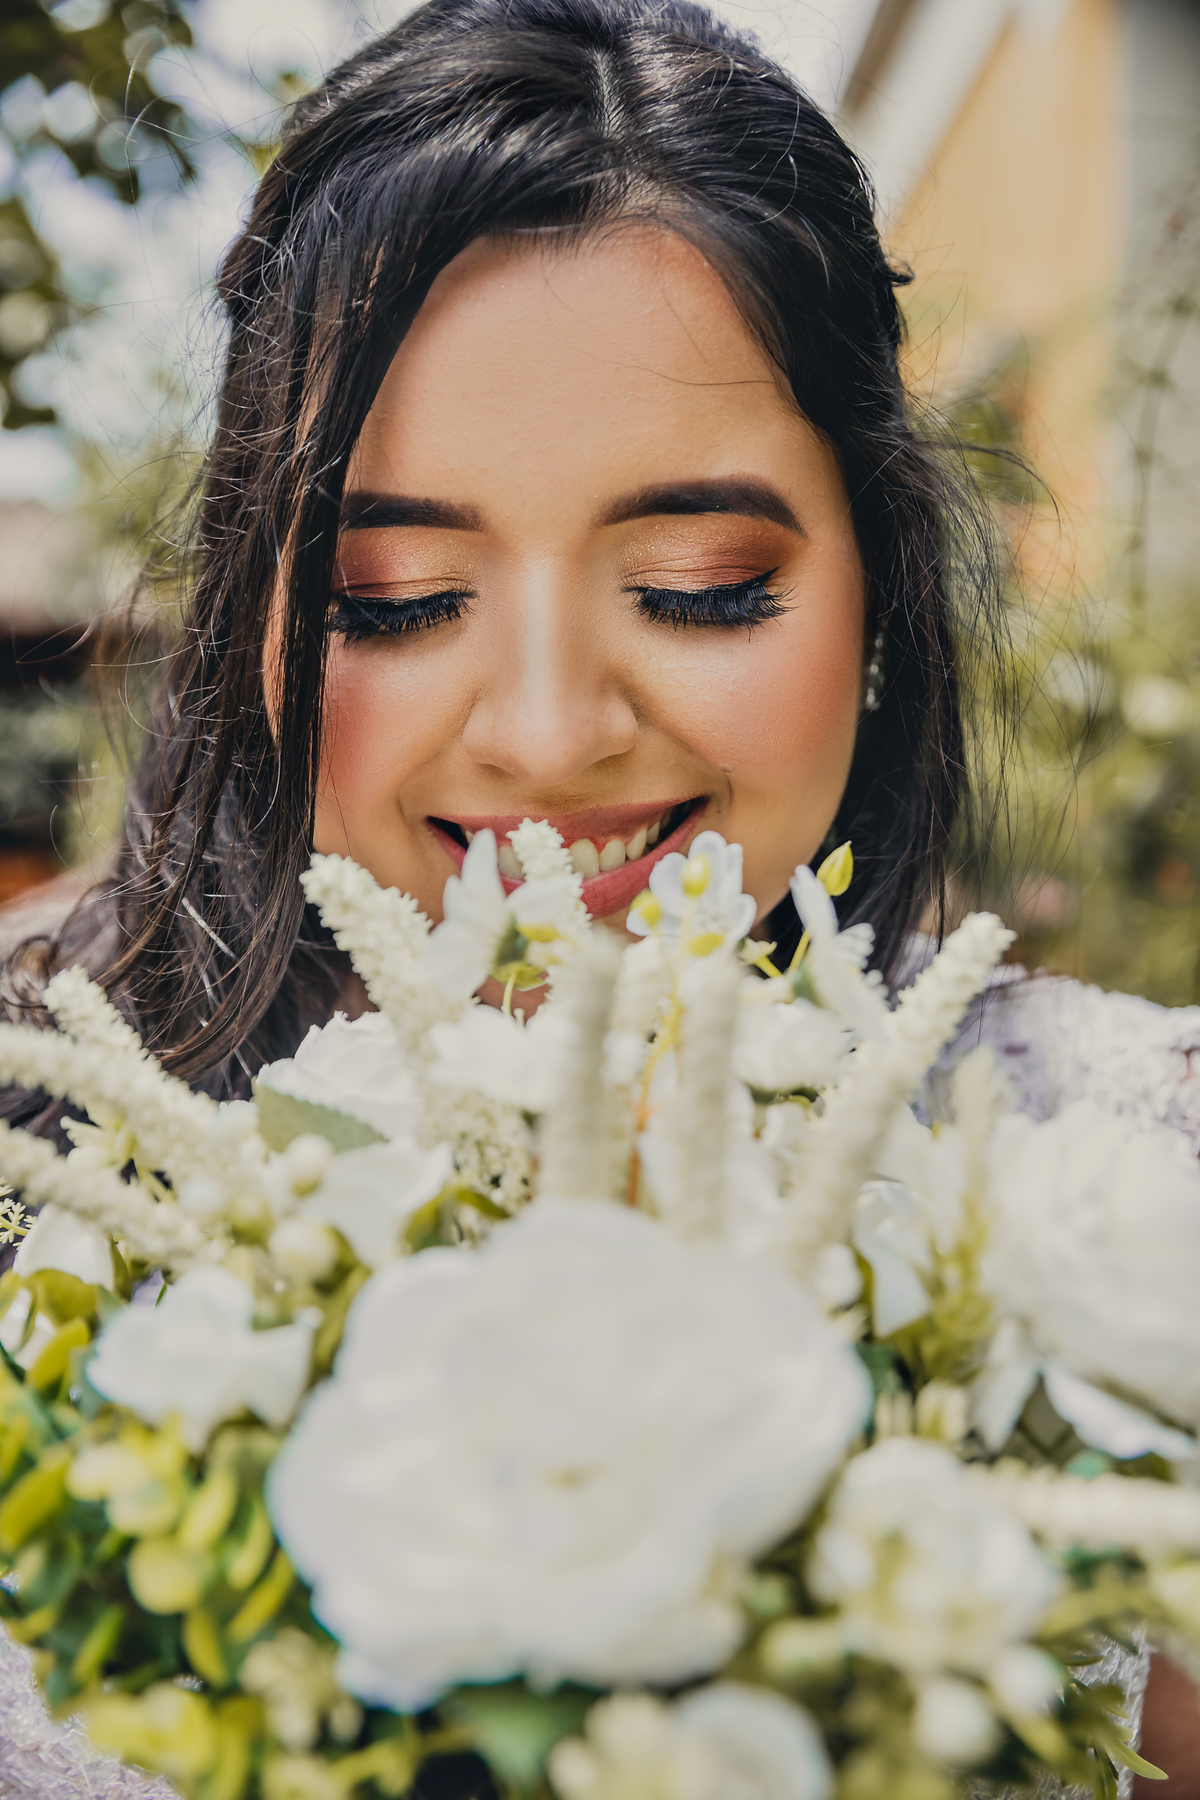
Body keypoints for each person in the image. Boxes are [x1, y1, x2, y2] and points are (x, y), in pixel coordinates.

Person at [0, 0, 1196, 1793]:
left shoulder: (1133, 1195)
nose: (552, 737)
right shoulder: (48, 1149)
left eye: (702, 584)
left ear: (878, 598)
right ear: (256, 620)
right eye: (396, 596)